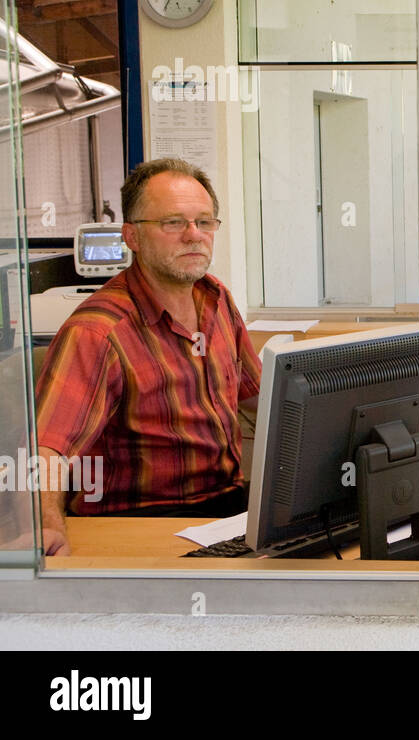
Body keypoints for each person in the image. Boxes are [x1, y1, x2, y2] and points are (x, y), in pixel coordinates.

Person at [35, 158, 260, 555]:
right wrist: (48, 527)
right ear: (132, 237)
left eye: (204, 222)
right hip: (140, 521)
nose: (194, 236)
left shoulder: (216, 298)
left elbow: (260, 399)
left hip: (225, 507)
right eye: (173, 223)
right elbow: (47, 450)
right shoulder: (97, 332)